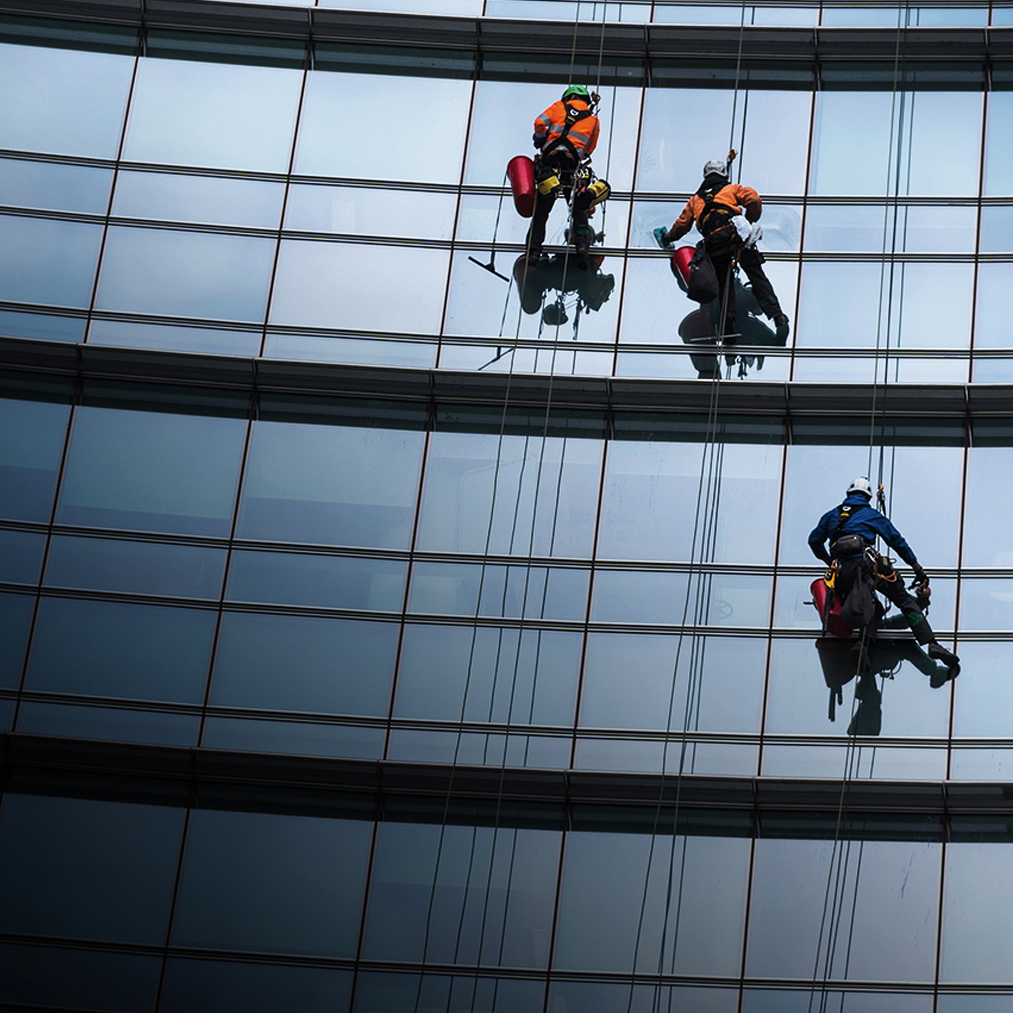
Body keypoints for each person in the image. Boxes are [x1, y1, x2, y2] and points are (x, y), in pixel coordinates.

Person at [808, 476, 959, 668]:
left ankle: (862, 646)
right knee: (904, 600)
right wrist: (917, 569)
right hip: (867, 568)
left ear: (848, 493)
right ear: (868, 497)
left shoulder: (831, 515)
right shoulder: (871, 514)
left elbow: (813, 541)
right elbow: (896, 541)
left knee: (876, 609)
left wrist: (829, 560)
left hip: (842, 574)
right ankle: (932, 644)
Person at [658, 158, 789, 343]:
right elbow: (753, 199)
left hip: (714, 244)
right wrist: (750, 220)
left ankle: (728, 325)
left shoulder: (696, 200)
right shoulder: (731, 189)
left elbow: (682, 225)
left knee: (724, 284)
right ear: (723, 175)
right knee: (756, 274)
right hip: (736, 236)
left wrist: (667, 238)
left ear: (706, 176)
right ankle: (778, 316)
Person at [526, 85, 606, 271]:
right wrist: (578, 151)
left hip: (550, 164)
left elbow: (539, 123)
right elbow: (590, 148)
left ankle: (534, 251)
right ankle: (582, 247)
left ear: (568, 97)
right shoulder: (594, 121)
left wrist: (540, 139)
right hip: (572, 167)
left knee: (543, 210)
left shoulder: (558, 107)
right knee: (579, 209)